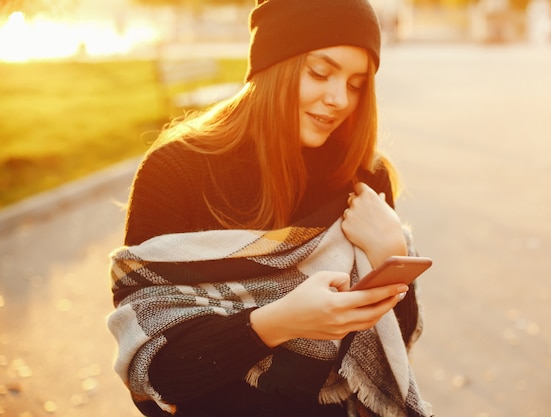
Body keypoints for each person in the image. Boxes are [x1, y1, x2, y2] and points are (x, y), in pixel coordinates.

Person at [107, 0, 432, 416]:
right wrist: (277, 323)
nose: (339, 99)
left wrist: (391, 252)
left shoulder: (363, 177)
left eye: (355, 83)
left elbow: (392, 347)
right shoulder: (176, 172)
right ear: (272, 62)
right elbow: (156, 373)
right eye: (320, 72)